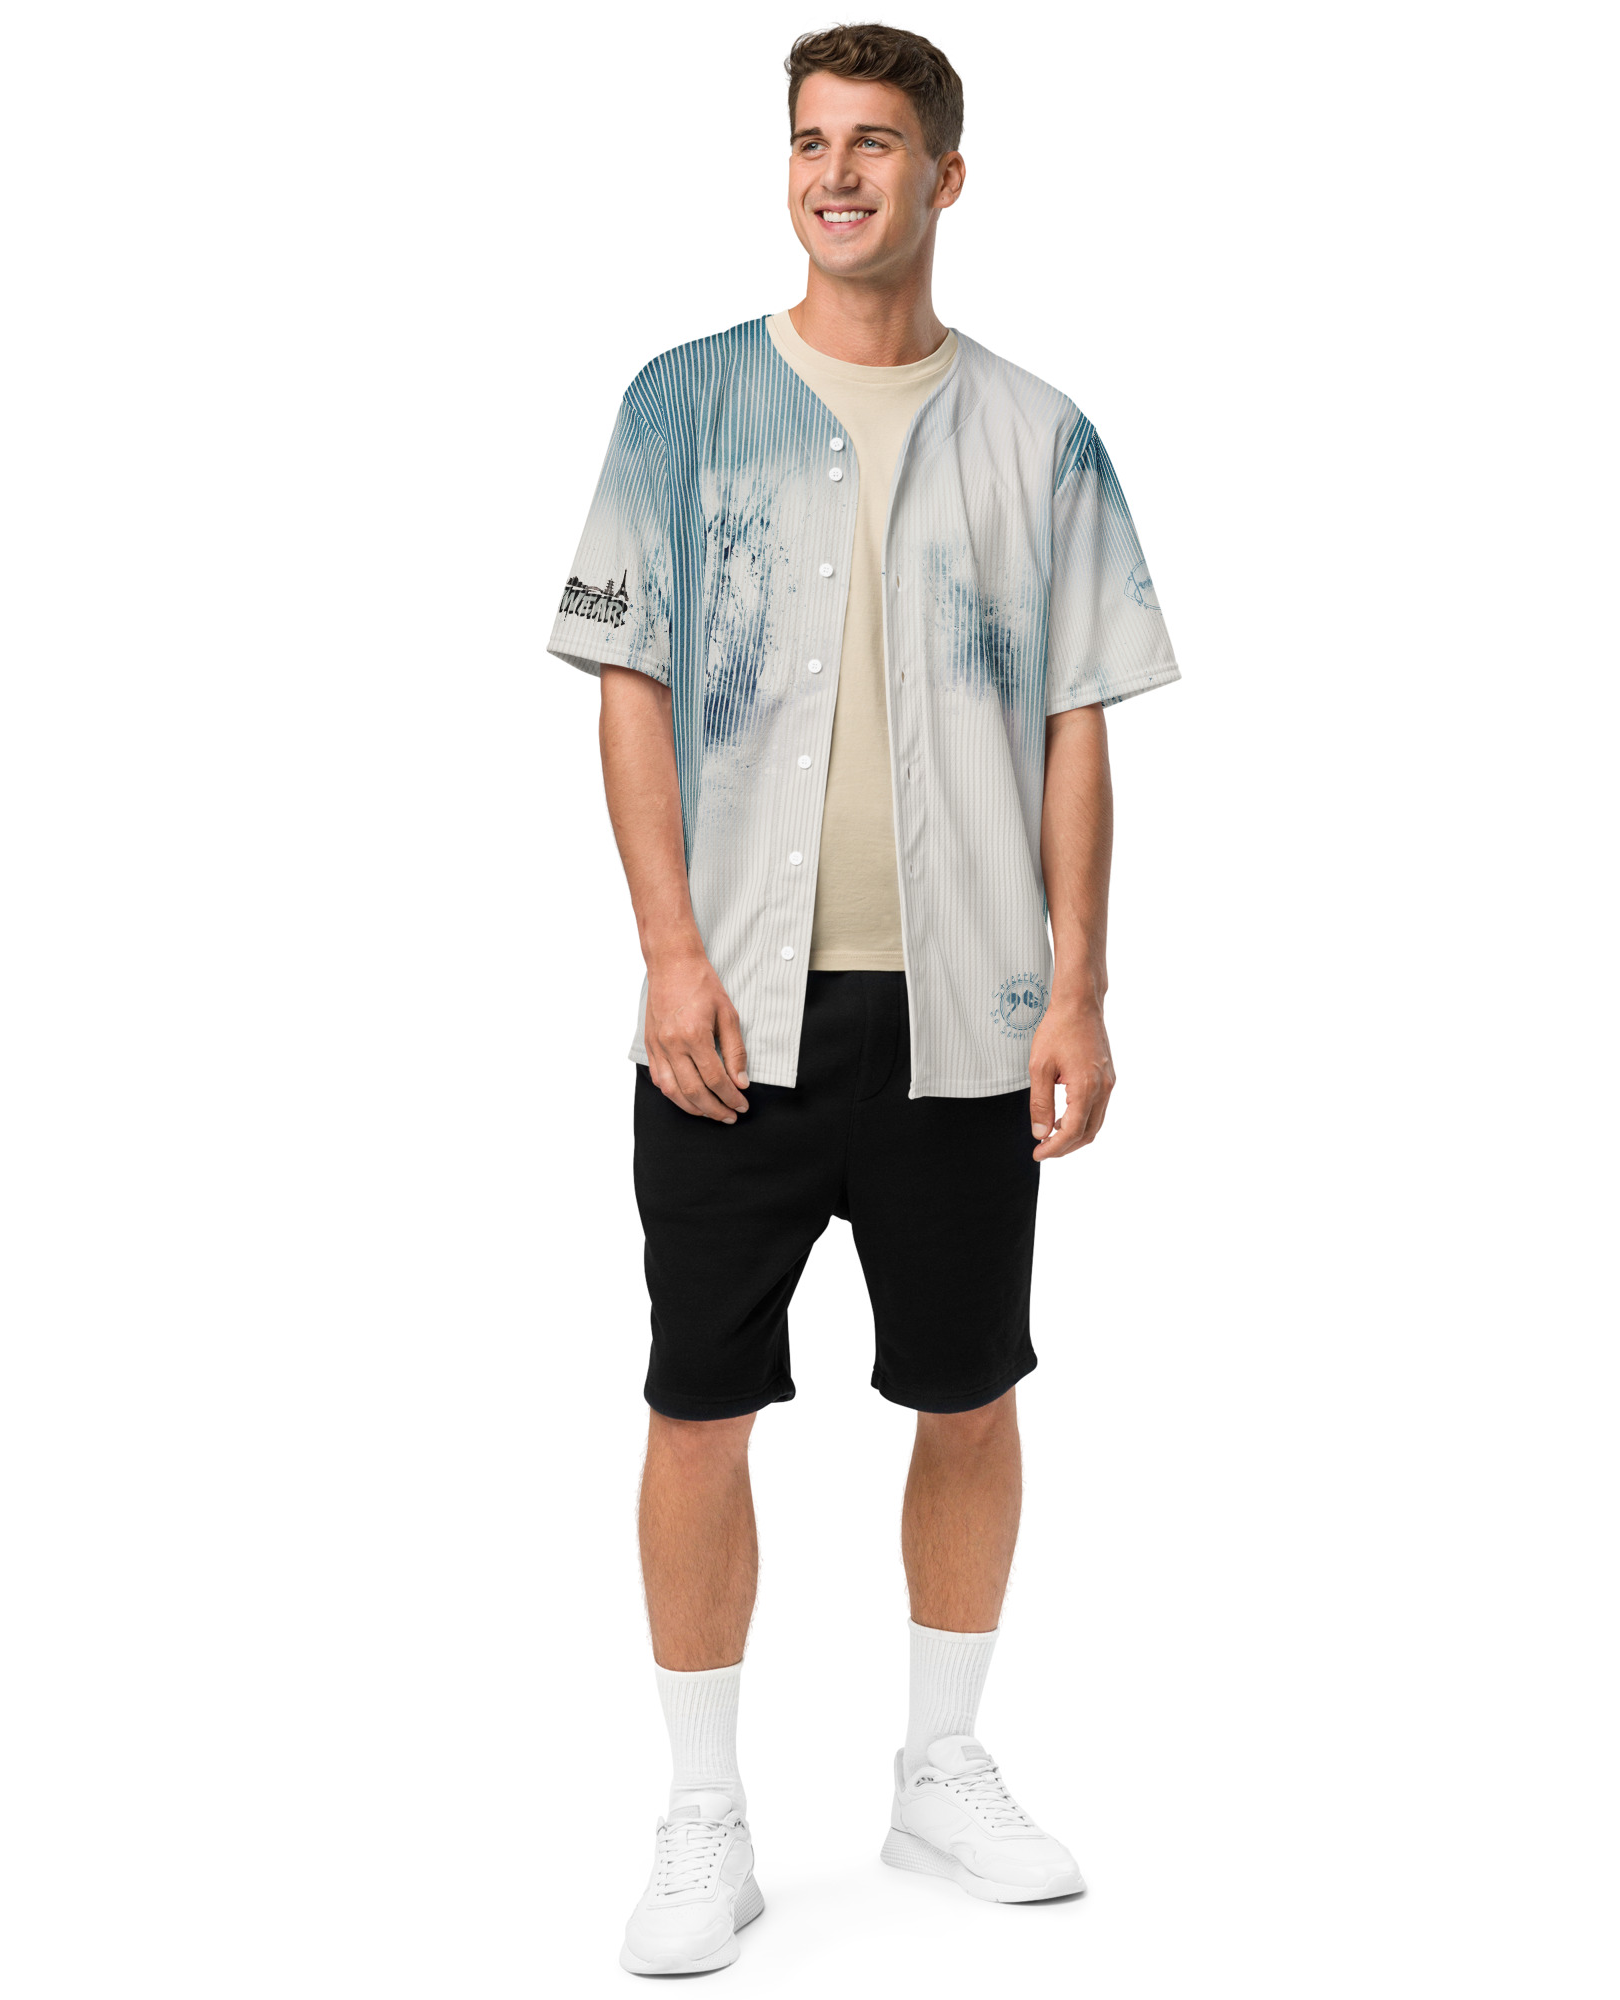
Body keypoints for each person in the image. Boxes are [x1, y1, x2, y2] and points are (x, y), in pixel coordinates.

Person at [547, 22, 1178, 1976]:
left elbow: (1078, 728)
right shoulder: (682, 408)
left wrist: (1081, 989)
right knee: (698, 1405)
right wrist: (669, 951)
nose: (836, 173)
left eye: (877, 142)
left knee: (969, 1392)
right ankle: (702, 1813)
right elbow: (630, 688)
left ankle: (940, 1767)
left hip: (966, 1017)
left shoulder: (1041, 437)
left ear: (945, 177)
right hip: (730, 1018)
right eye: (812, 141)